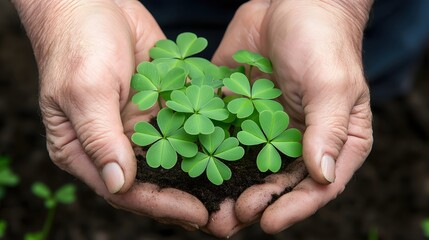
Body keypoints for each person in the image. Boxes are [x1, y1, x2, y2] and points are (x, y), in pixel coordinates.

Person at [12, 0, 374, 237]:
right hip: (129, 17)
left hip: (303, 29)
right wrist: (58, 9)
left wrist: (337, 7)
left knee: (328, 93)